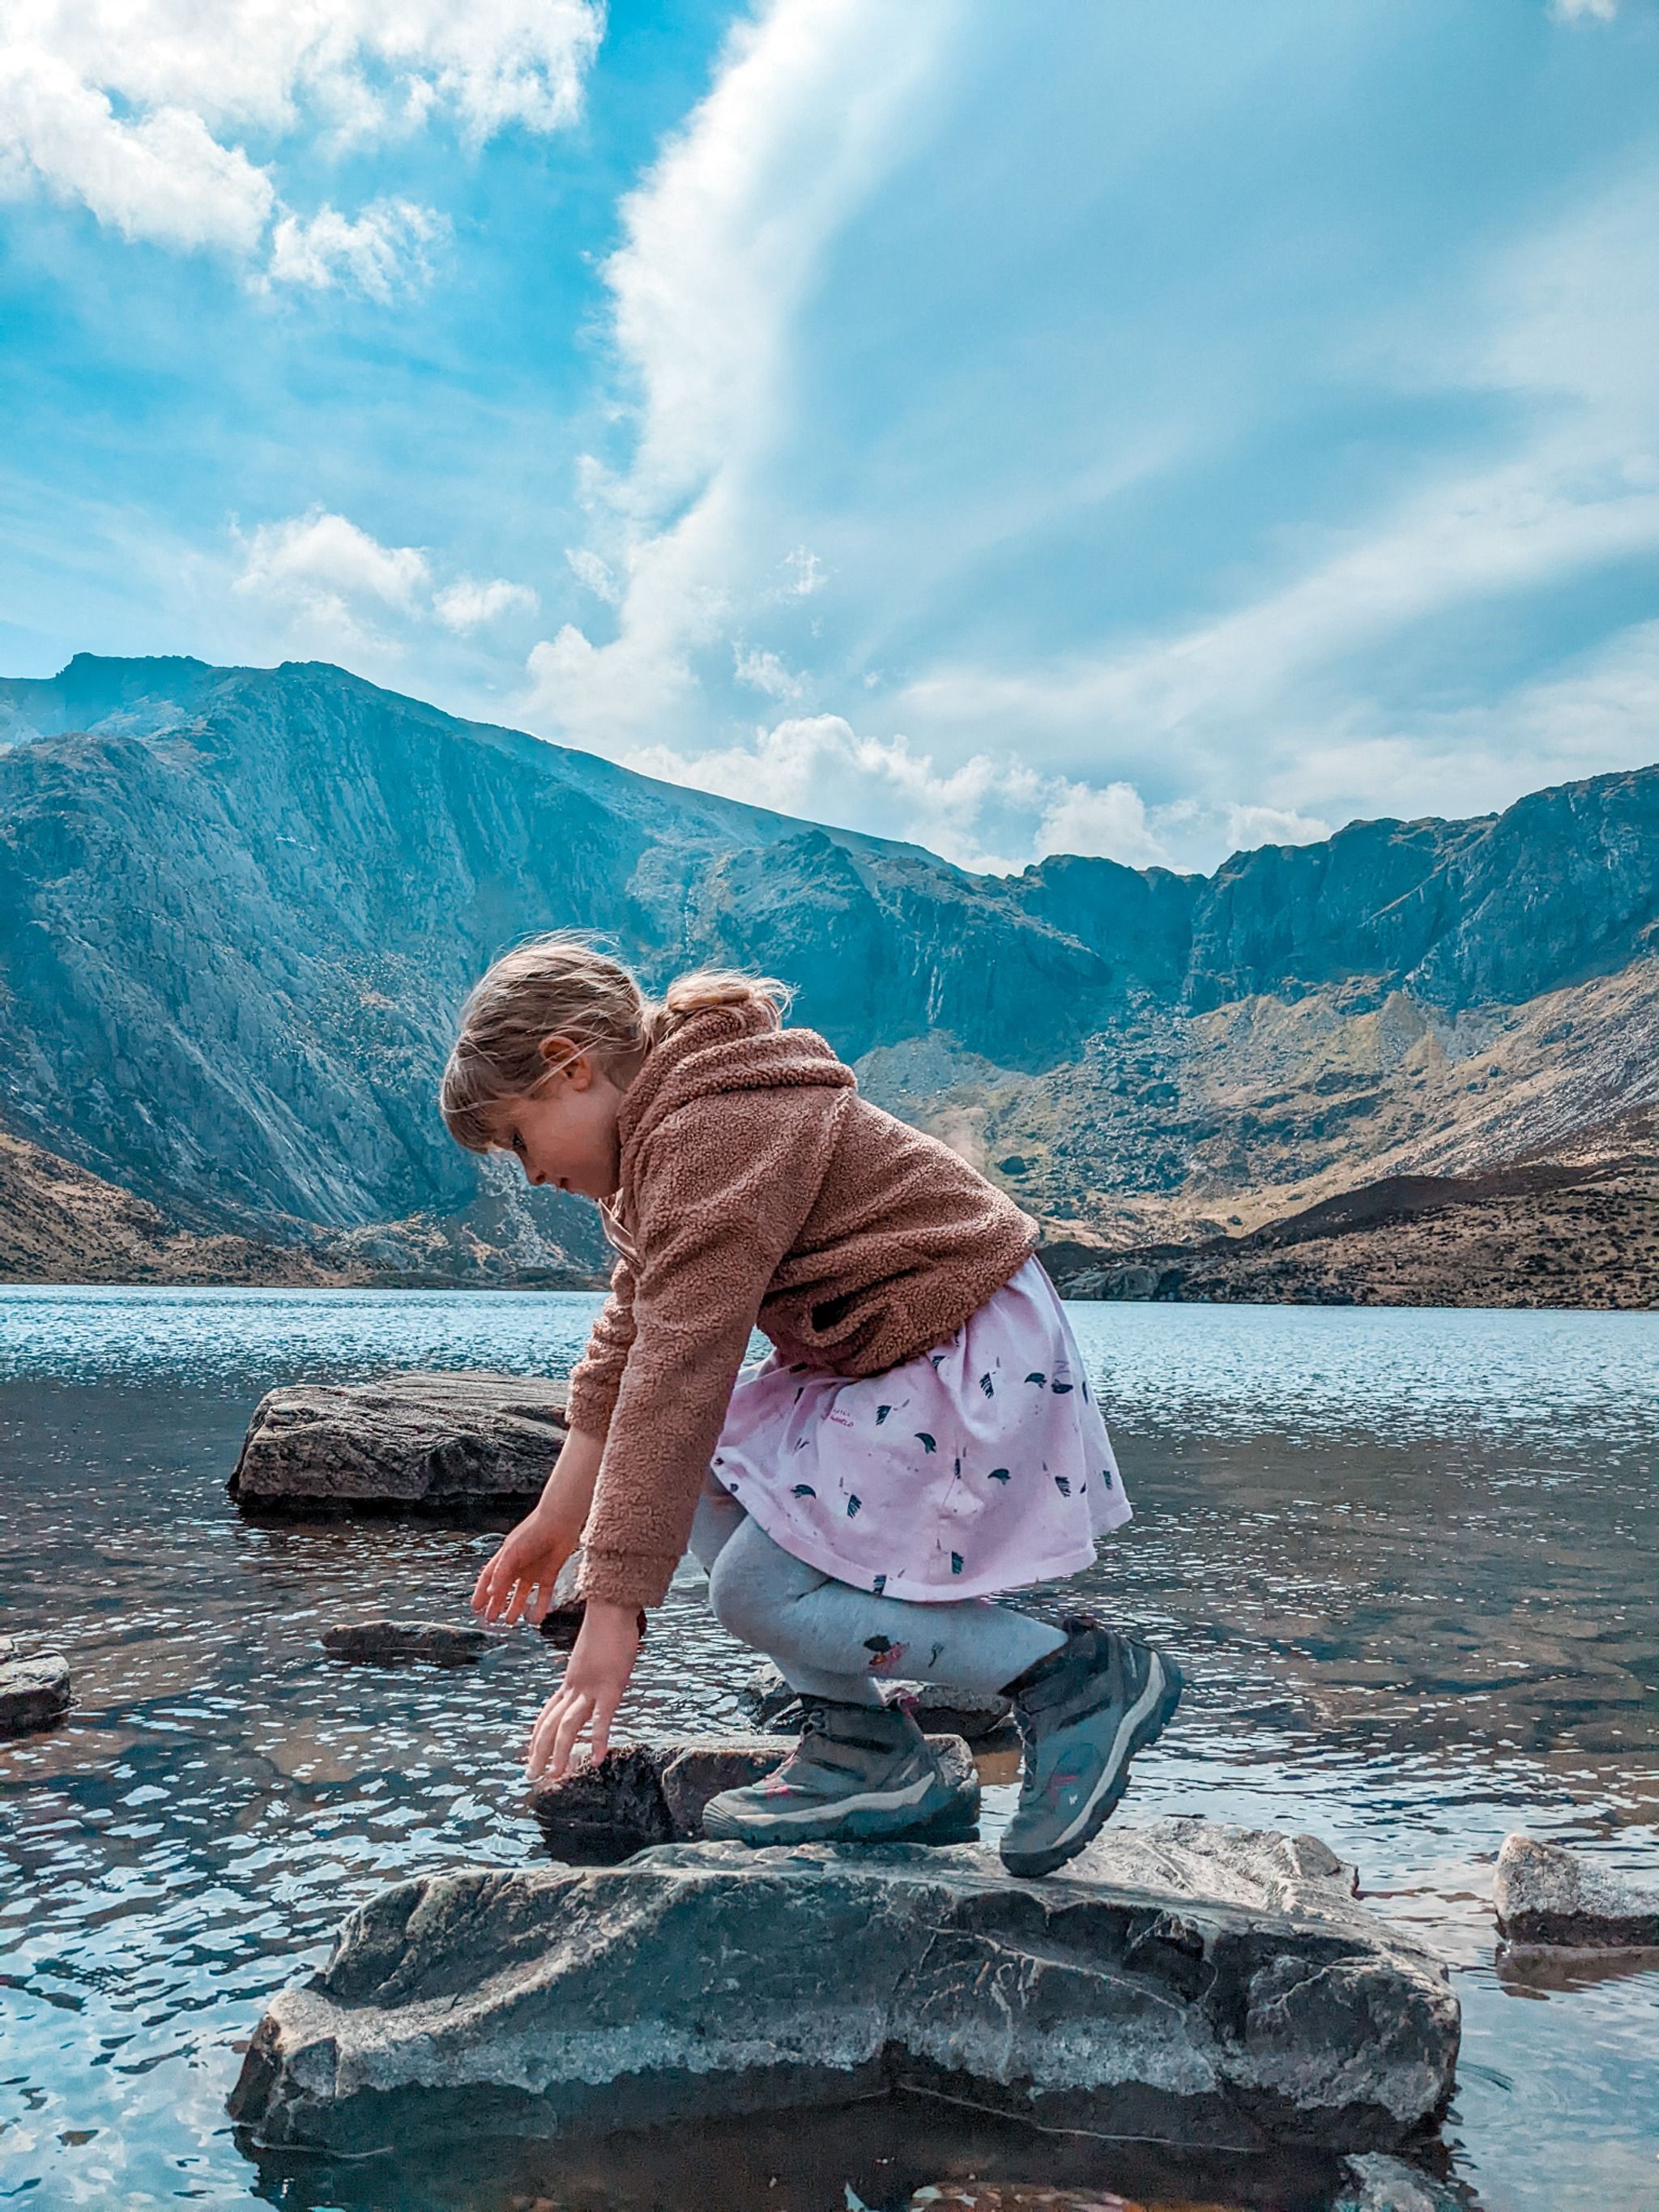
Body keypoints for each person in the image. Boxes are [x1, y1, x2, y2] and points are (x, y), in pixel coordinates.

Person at [441, 932, 1180, 1878]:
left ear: (568, 1064)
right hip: (890, 1351)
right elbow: (628, 1350)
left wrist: (613, 1611)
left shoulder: (710, 1129)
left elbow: (679, 1372)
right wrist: (558, 1520)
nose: (529, 1174)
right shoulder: (664, 1140)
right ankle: (862, 1748)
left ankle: (1070, 1678)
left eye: (517, 1139)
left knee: (751, 1592)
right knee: (708, 1474)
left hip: (959, 1341)